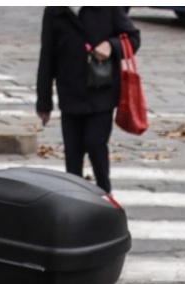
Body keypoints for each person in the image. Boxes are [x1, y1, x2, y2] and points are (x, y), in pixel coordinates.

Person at [34, 6, 141, 194]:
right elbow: (47, 55)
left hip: (101, 94)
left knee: (95, 143)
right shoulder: (55, 11)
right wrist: (44, 101)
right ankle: (74, 200)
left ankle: (104, 193)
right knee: (73, 153)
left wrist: (111, 45)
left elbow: (133, 38)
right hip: (70, 94)